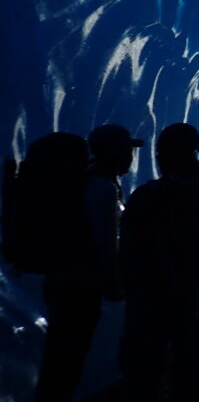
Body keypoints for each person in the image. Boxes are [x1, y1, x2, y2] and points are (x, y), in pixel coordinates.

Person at [120, 123, 199, 402]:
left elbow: (126, 247)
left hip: (147, 296)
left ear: (161, 156)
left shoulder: (144, 196)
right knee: (189, 370)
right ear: (195, 153)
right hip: (194, 295)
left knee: (143, 371)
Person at [35, 124, 143, 402]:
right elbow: (104, 244)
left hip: (62, 282)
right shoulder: (102, 188)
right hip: (78, 287)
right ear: (114, 152)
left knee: (59, 362)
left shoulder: (89, 181)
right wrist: (115, 284)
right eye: (127, 150)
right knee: (65, 365)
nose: (131, 156)